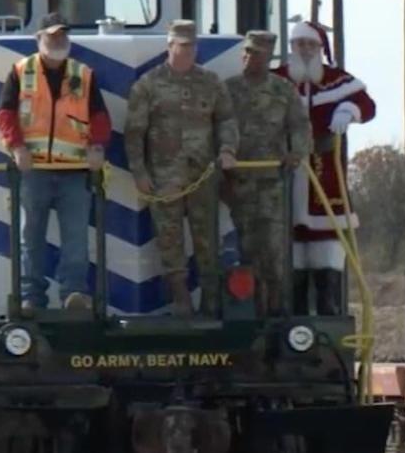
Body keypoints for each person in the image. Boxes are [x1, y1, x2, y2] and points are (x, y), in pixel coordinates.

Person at [0, 12, 112, 313]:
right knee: (30, 238)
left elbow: (99, 117)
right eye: (52, 36)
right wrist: (16, 146)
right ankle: (31, 298)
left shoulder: (83, 74)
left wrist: (98, 146)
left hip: (74, 172)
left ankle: (73, 294)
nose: (58, 41)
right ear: (39, 39)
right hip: (34, 171)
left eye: (62, 36)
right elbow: (4, 114)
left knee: (75, 239)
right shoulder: (21, 71)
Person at [124, 20, 240, 316]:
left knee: (208, 242)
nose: (187, 51)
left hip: (203, 176)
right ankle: (181, 302)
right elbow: (134, 132)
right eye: (181, 46)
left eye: (191, 46)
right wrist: (139, 172)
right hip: (165, 180)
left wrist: (227, 150)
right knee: (169, 242)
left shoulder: (211, 82)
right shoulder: (148, 85)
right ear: (170, 46)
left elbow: (226, 120)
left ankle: (211, 303)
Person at [273, 21, 376, 316]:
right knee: (290, 242)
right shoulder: (277, 79)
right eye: (298, 44)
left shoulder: (337, 80)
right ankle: (296, 309)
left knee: (327, 241)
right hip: (285, 171)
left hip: (325, 171)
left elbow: (367, 105)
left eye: (310, 45)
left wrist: (349, 110)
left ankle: (328, 304)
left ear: (321, 49)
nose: (304, 51)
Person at [225, 30, 310, 316]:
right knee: (247, 253)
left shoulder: (283, 90)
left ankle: (278, 312)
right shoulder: (228, 89)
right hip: (238, 185)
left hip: (273, 185)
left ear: (268, 57)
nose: (250, 58)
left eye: (257, 54)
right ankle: (252, 312)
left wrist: (295, 152)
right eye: (247, 52)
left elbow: (300, 127)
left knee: (275, 253)